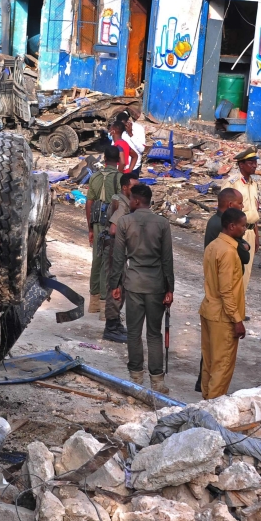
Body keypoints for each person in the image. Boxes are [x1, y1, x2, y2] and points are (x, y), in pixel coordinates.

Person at [110, 184, 175, 393]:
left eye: (130, 199)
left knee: (134, 333)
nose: (129, 202)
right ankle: (158, 381)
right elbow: (167, 260)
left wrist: (115, 285)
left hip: (133, 284)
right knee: (154, 334)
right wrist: (169, 289)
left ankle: (136, 377)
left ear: (137, 201)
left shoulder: (124, 222)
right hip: (156, 284)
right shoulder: (163, 223)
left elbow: (118, 257)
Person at [195, 187, 249, 392]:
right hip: (223, 316)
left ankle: (206, 404)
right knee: (222, 365)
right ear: (232, 226)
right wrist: (237, 320)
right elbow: (226, 290)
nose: (245, 230)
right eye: (243, 227)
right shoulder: (228, 251)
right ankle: (213, 411)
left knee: (209, 362)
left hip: (209, 309)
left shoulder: (213, 246)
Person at [100, 172, 137, 344]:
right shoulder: (122, 204)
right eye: (133, 187)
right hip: (115, 247)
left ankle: (115, 322)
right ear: (124, 188)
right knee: (115, 285)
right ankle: (111, 327)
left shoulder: (120, 200)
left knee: (119, 284)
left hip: (115, 247)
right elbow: (114, 229)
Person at [85, 146, 122, 316]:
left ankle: (94, 303)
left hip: (97, 223)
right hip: (113, 225)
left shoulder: (94, 177)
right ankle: (105, 308)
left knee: (97, 259)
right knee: (110, 263)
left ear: (105, 159)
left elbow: (89, 203)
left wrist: (91, 228)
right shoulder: (121, 179)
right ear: (119, 160)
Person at [226, 147, 260, 295]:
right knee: (234, 270)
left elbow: (255, 211)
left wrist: (257, 236)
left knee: (246, 271)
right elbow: (225, 211)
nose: (254, 165)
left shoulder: (254, 184)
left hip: (250, 231)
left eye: (255, 162)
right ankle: (231, 307)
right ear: (241, 164)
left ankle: (239, 307)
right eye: (250, 162)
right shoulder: (233, 183)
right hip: (237, 232)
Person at [116, 110, 146, 178]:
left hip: (134, 167)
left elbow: (142, 149)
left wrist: (131, 134)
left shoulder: (139, 129)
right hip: (120, 168)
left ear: (128, 122)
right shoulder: (118, 129)